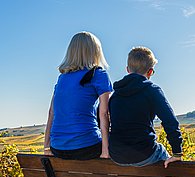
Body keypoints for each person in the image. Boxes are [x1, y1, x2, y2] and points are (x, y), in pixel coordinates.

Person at [109, 46, 183, 168]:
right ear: (149, 72)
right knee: (164, 155)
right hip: (144, 154)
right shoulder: (152, 90)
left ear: (127, 70)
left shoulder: (115, 95)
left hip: (117, 155)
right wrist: (177, 152)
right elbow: (170, 122)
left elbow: (102, 120)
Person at [44, 31, 113, 160]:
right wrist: (105, 151)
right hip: (86, 146)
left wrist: (46, 146)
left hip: (57, 148)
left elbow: (51, 113)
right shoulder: (98, 74)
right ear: (95, 51)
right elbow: (104, 114)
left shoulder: (62, 78)